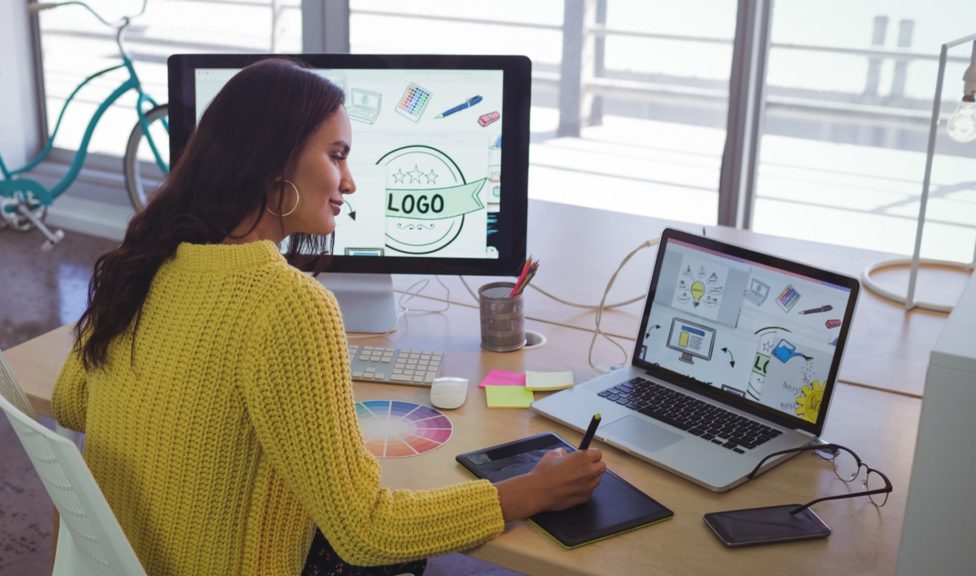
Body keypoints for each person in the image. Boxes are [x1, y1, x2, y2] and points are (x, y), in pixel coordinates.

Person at [52, 58, 606, 575]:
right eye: (336, 155)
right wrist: (531, 492)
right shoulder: (287, 304)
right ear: (275, 163)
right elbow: (365, 531)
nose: (349, 182)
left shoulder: (144, 262)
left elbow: (73, 402)